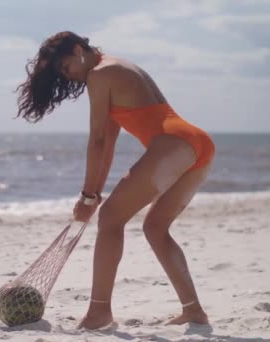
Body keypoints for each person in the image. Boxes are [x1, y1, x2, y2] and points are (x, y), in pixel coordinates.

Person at [15, 31, 215, 330]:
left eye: (66, 67)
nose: (68, 76)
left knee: (110, 219)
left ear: (79, 49)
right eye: (61, 74)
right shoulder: (115, 67)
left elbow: (95, 141)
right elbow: (107, 144)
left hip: (175, 143)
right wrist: (91, 195)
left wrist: (88, 198)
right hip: (197, 144)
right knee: (155, 228)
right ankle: (193, 310)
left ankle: (99, 313)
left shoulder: (100, 74)